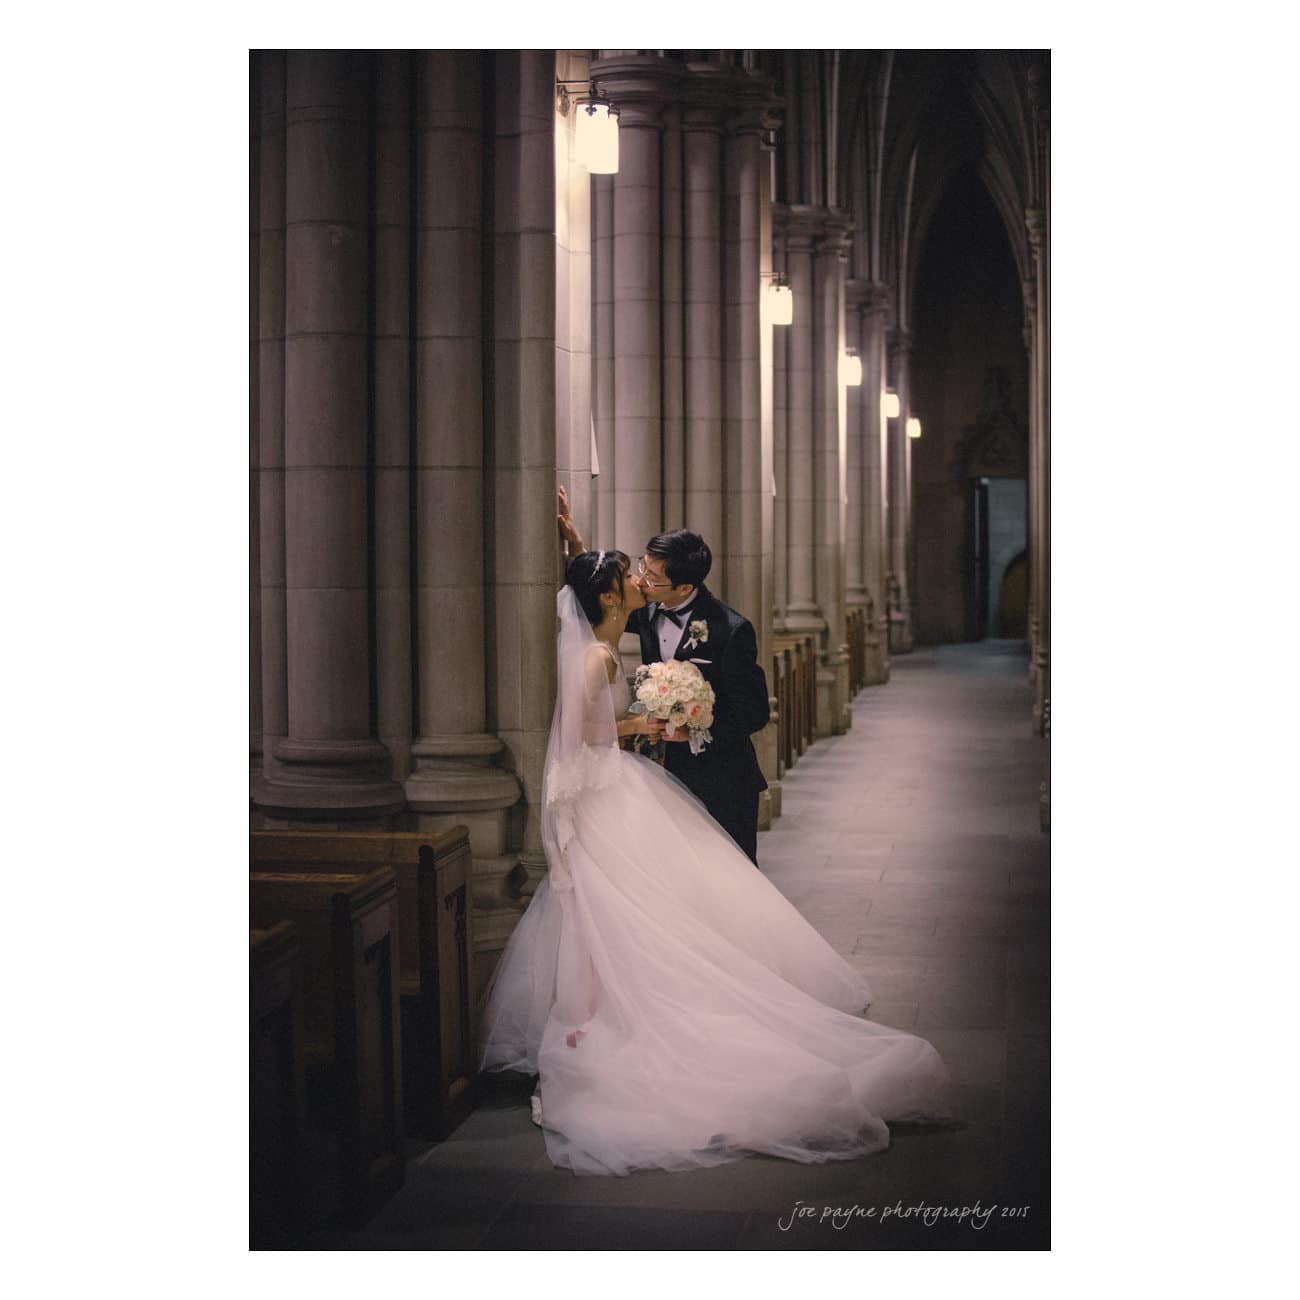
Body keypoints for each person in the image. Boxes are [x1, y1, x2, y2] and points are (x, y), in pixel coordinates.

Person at [478, 549, 953, 1176]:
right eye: (630, 574)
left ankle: (621, 1009)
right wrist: (648, 720)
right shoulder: (596, 654)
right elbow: (575, 739)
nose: (640, 579)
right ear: (615, 595)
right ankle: (618, 1016)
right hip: (604, 795)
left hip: (623, 788)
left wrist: (673, 718)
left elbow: (670, 705)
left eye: (649, 569)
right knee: (626, 916)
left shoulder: (657, 631)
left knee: (652, 910)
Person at [556, 488, 769, 863]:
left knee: (730, 878)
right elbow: (602, 594)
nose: (641, 581)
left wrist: (697, 729)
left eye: (652, 576)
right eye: (641, 567)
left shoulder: (731, 630)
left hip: (723, 778)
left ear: (685, 587)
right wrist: (577, 546)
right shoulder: (648, 609)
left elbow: (754, 712)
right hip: (665, 778)